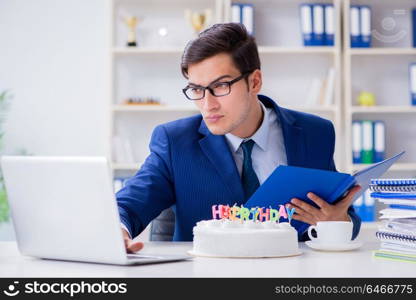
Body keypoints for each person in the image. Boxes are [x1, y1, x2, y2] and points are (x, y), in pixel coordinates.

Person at [117, 23, 362, 253]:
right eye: (196, 90)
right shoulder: (175, 141)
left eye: (221, 86)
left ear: (254, 81)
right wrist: (117, 230)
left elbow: (341, 213)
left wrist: (337, 222)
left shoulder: (315, 133)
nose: (207, 104)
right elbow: (131, 202)